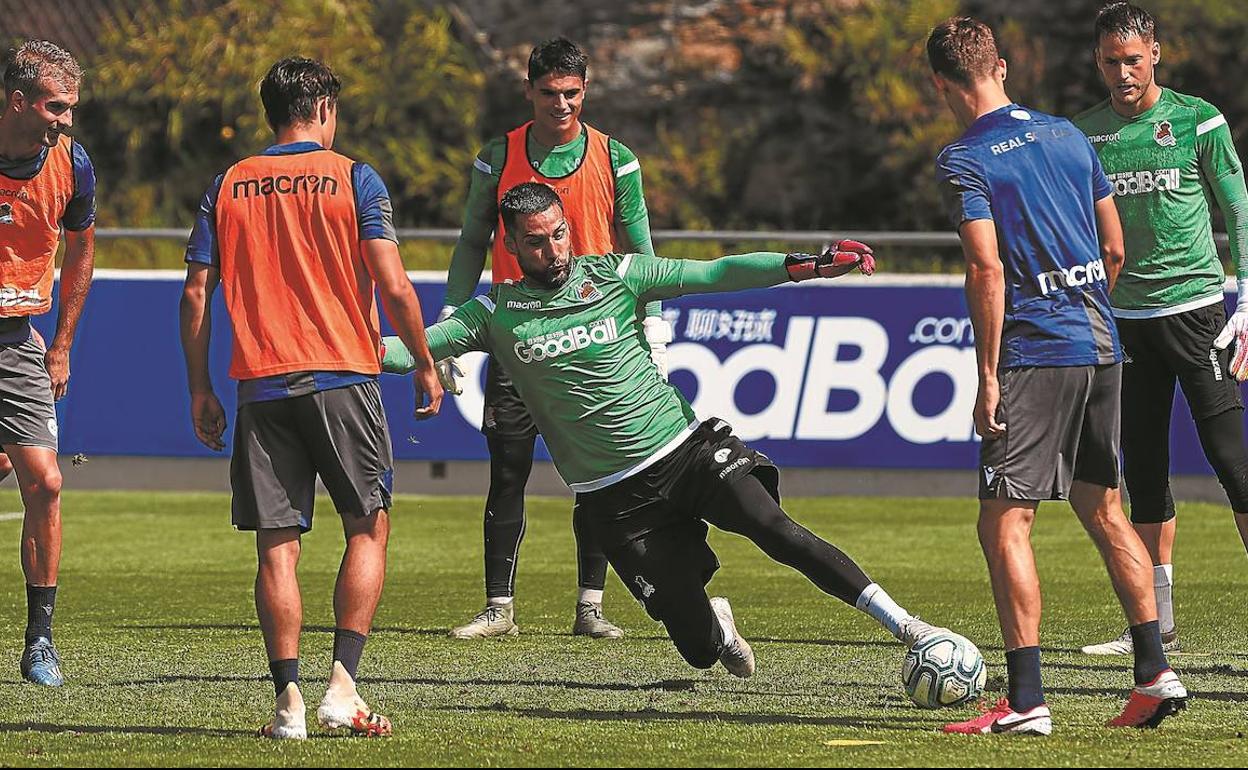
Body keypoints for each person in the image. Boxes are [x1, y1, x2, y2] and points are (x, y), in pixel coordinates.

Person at [381, 181, 964, 683]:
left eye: (559, 234)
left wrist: (805, 265)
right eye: (535, 241)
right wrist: (335, 345)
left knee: (775, 529)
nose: (552, 250)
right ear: (509, 245)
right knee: (699, 650)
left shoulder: (616, 274)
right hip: (614, 500)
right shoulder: (493, 315)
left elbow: (715, 273)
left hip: (686, 452)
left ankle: (909, 627)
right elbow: (405, 352)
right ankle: (716, 624)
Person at [927, 17, 1189, 734]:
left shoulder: (964, 158)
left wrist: (987, 375)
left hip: (1036, 355)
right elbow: (1114, 246)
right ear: (1002, 68)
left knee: (1004, 521)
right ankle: (1154, 673)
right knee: (1104, 508)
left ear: (942, 84)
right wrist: (1085, 306)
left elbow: (985, 268)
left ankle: (1026, 701)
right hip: (1100, 343)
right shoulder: (1070, 134)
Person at [180, 56, 442, 739]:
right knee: (367, 527)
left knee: (277, 549)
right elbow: (393, 283)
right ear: (323, 107)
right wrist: (424, 362)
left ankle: (288, 705)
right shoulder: (354, 176)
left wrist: (201, 386)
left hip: (261, 385)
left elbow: (196, 294)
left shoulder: (227, 183)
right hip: (341, 377)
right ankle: (343, 688)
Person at [440, 37, 668, 640]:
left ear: (584, 90)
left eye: (571, 93)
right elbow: (471, 241)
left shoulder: (616, 158)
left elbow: (640, 249)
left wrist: (653, 326)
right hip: (520, 341)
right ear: (529, 90)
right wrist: (450, 320)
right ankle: (499, 608)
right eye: (549, 93)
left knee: (598, 477)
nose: (560, 104)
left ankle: (590, 606)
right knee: (507, 471)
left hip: (594, 342)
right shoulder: (498, 156)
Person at [1073, 1, 1248, 657]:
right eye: (1111, 62)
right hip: (1125, 322)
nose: (1123, 73)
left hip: (1198, 314)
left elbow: (1238, 205)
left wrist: (1246, 298)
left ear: (1155, 54)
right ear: (1098, 62)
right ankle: (1155, 623)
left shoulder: (1199, 119)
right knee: (1143, 471)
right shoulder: (1083, 136)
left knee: (1233, 463)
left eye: (1133, 60)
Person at [0, 40, 97, 688]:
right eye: (55, 107)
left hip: (17, 341)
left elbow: (82, 250)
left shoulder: (73, 163)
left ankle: (40, 640)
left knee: (47, 482)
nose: (66, 120)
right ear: (18, 101)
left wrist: (60, 345)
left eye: (70, 108)